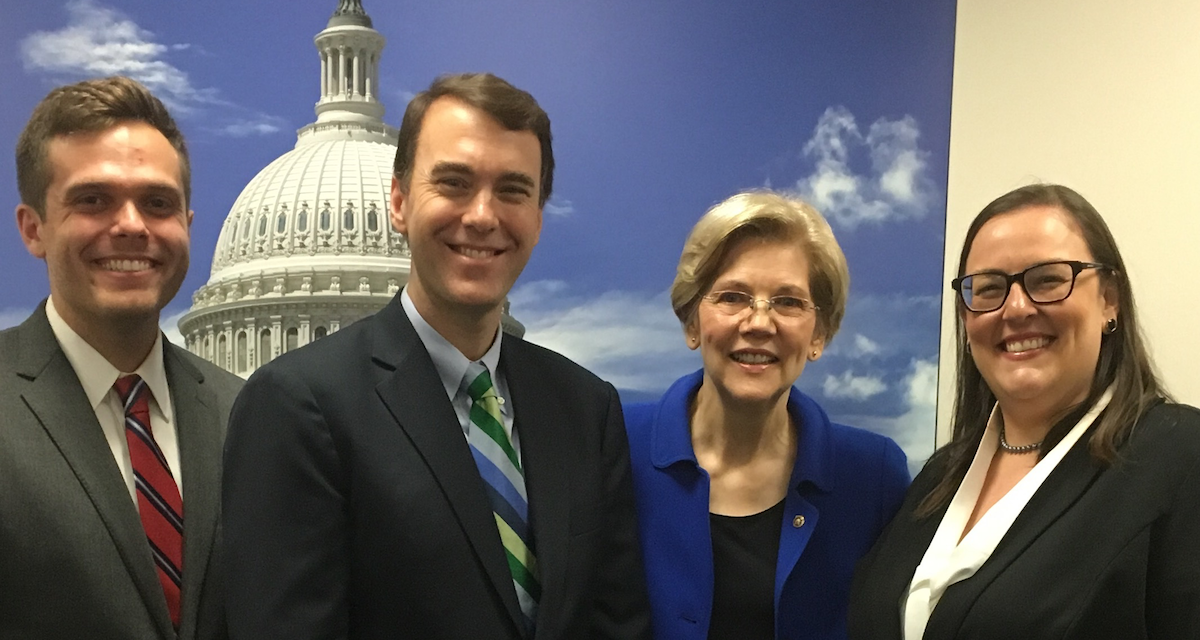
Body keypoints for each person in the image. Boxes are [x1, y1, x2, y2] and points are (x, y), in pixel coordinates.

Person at [221, 72, 652, 640]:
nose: (482, 216)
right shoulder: (297, 405)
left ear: (539, 217)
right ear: (398, 203)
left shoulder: (586, 407)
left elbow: (614, 624)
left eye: (513, 190)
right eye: (454, 183)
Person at [849, 184, 1200, 639]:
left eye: (1048, 280)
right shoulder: (939, 479)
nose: (1015, 308)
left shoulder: (1181, 458)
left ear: (1109, 299)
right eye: (990, 288)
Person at [0, 76, 243, 639]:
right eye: (93, 200)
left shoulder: (250, 415)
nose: (131, 225)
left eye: (157, 203)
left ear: (186, 224)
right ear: (33, 229)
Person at [624, 190, 911, 640]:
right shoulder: (616, 447)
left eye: (789, 302)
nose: (759, 322)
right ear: (692, 323)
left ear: (820, 334)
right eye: (733, 297)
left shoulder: (874, 478)